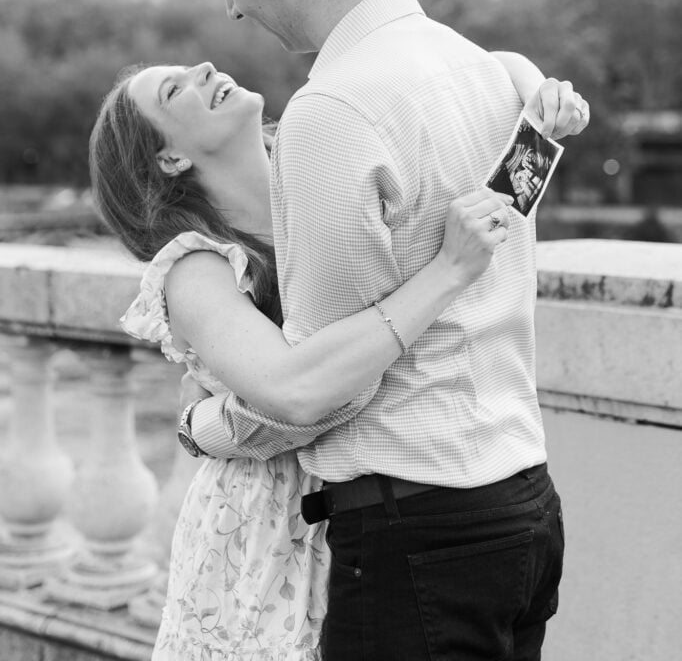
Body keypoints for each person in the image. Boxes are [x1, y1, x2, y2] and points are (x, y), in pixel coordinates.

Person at [176, 0, 590, 661]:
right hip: (525, 507)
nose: (231, 12)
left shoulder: (331, 113)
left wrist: (206, 423)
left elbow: (328, 389)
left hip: (416, 533)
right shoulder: (496, 73)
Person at [90, 56, 556, 660]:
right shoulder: (197, 268)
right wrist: (446, 271)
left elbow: (450, 73)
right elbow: (308, 393)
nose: (205, 65)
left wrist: (532, 90)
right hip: (272, 535)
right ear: (170, 159)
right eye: (175, 89)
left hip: (405, 504)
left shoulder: (328, 168)